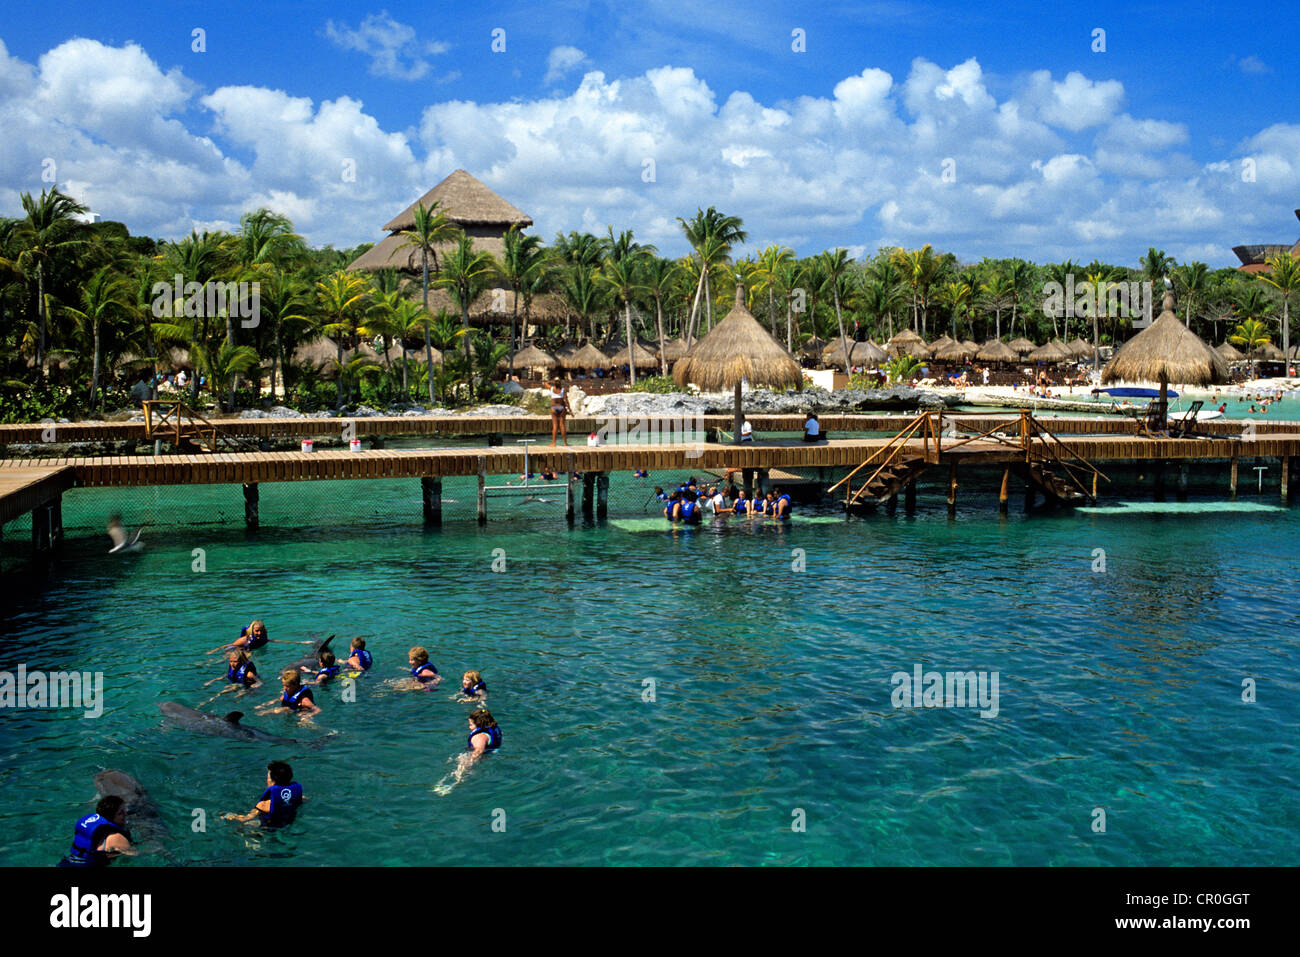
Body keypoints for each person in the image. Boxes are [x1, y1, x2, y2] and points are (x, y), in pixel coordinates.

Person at [223, 761, 304, 827]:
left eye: (268, 777)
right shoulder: (298, 796)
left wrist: (229, 816)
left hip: (267, 829)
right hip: (288, 824)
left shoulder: (264, 805)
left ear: (272, 781)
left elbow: (245, 818)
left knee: (242, 827)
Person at [58, 796, 133, 867]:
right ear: (111, 817)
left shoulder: (93, 829)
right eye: (120, 813)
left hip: (67, 862)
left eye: (124, 810)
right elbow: (136, 855)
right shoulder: (116, 837)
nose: (125, 814)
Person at [256, 669, 320, 717]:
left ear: (295, 685)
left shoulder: (304, 700)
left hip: (303, 712)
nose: (284, 688)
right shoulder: (288, 693)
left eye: (287, 686)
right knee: (284, 709)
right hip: (292, 709)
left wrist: (309, 715)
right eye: (284, 685)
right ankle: (265, 712)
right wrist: (264, 705)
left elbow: (318, 710)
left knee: (304, 721)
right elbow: (278, 699)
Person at [548, 379, 570, 446]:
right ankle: (565, 443)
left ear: (554, 384)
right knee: (562, 425)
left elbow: (546, 383)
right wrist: (570, 410)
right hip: (561, 408)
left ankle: (553, 443)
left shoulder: (552, 388)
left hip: (553, 408)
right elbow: (566, 401)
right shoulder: (563, 390)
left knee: (555, 426)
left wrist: (552, 381)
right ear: (560, 384)